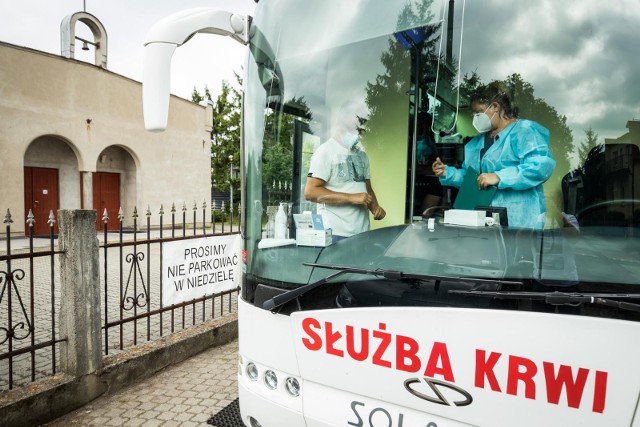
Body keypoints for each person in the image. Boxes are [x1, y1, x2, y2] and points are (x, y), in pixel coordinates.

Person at [432, 81, 556, 229]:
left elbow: (540, 167)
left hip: (519, 222)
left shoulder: (524, 131)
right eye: (474, 114)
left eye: (479, 112)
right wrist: (448, 172)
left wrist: (499, 177)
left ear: (495, 107)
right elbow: (472, 179)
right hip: (482, 220)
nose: (475, 118)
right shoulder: (476, 143)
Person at [304, 101, 386, 241]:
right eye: (354, 128)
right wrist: (351, 198)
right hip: (335, 234)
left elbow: (367, 189)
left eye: (360, 129)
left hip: (363, 233)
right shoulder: (325, 152)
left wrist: (375, 208)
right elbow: (310, 193)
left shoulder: (361, 155)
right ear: (340, 122)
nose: (358, 133)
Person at [414, 112, 443, 215]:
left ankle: (430, 215)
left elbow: (435, 159)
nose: (425, 128)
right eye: (423, 124)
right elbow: (409, 166)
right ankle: (425, 216)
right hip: (413, 176)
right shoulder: (409, 140)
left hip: (427, 175)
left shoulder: (428, 140)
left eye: (428, 125)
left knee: (440, 183)